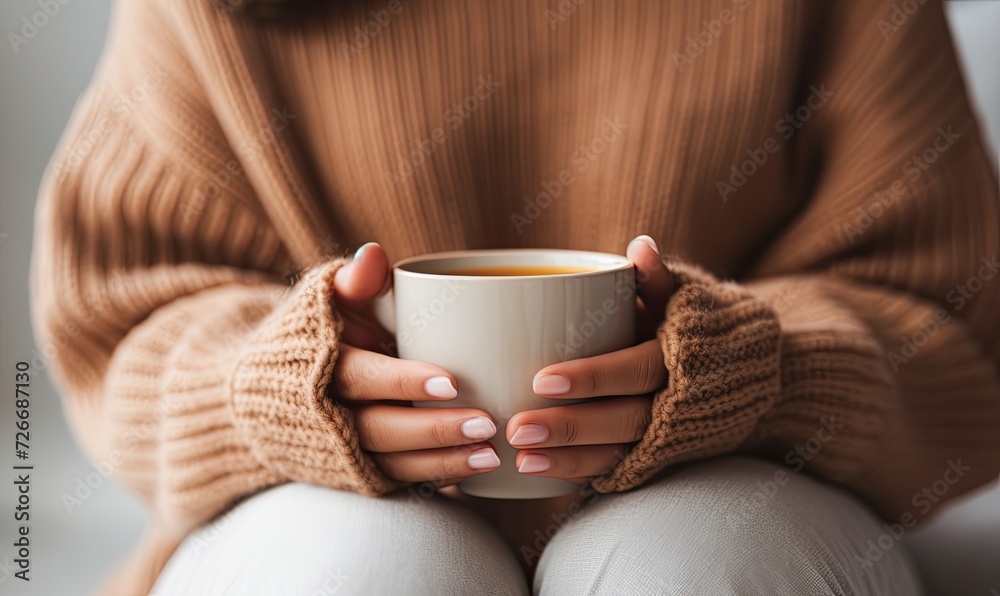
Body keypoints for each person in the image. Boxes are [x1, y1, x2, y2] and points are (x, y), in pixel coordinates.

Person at [31, 0, 999, 593]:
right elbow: (125, 314)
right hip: (318, 506)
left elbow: (956, 331)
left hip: (744, 501)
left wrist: (760, 372)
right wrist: (283, 387)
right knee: (358, 572)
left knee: (696, 562)